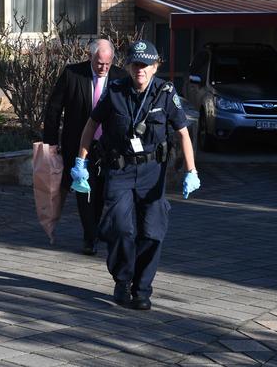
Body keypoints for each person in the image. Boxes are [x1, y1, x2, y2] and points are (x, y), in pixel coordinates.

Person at [71, 40, 200, 310]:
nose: (139, 69)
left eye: (145, 65)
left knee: (153, 233)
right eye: (135, 64)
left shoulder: (165, 93)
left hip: (152, 172)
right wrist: (79, 162)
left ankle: (141, 289)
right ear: (128, 66)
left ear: (155, 67)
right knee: (121, 228)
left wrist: (192, 171)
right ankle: (122, 280)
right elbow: (91, 124)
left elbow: (183, 133)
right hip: (119, 169)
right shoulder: (115, 91)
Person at [43, 39, 127, 255]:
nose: (104, 68)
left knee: (101, 192)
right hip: (78, 144)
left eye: (108, 64)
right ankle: (90, 238)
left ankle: (95, 230)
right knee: (84, 190)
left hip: (108, 147)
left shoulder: (120, 78)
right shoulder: (73, 74)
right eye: (100, 63)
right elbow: (53, 109)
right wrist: (51, 143)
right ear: (90, 57)